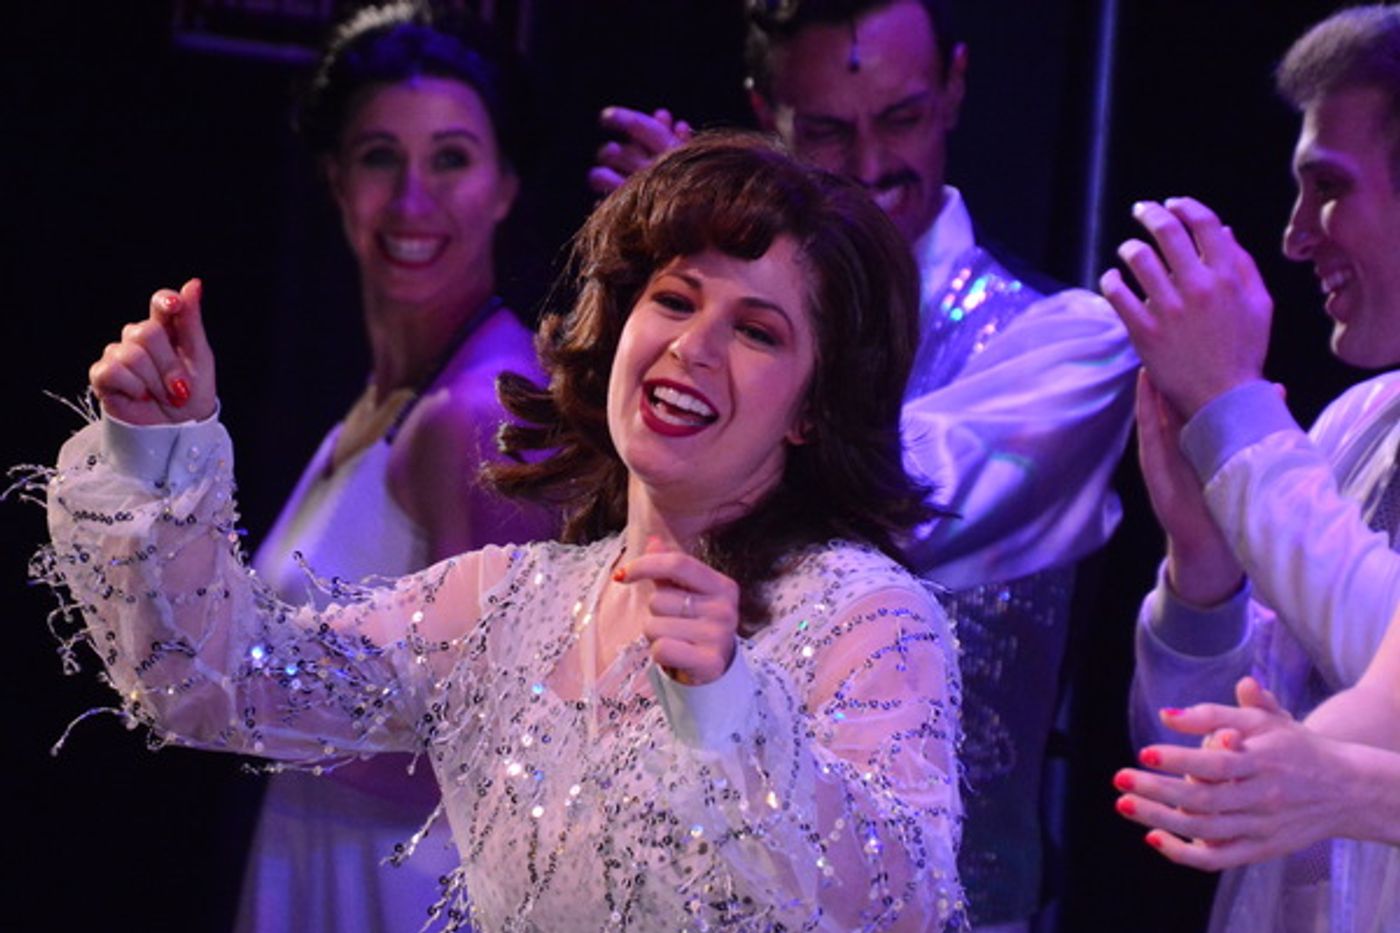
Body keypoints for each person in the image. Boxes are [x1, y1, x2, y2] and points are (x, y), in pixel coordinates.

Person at [37, 133, 967, 931]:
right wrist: (161, 450)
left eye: (758, 331)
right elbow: (215, 682)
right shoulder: (507, 606)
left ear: (813, 407)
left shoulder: (866, 617)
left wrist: (732, 712)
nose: (693, 347)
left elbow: (903, 904)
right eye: (676, 300)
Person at [591, 1, 1137, 926]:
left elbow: (877, 496)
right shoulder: (702, 334)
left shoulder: (1064, 345)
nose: (874, 162)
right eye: (827, 132)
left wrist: (714, 265)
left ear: (955, 87)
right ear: (766, 114)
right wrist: (685, 276)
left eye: (902, 117)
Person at [216, 5, 553, 931]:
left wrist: (236, 697)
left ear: (505, 185)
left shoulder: (481, 410)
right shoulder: (378, 402)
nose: (412, 199)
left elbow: (507, 742)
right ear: (335, 180)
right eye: (379, 157)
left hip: (410, 893)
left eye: (450, 158)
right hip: (317, 863)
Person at [1099, 6, 1400, 929]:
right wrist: (1204, 569)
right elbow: (1201, 774)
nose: (1296, 235)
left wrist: (1233, 412)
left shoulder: (1279, 449)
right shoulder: (1355, 424)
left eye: (1329, 187)